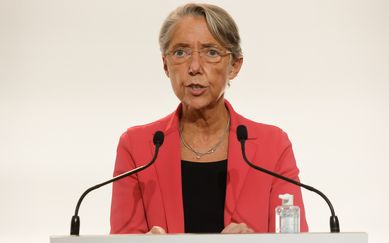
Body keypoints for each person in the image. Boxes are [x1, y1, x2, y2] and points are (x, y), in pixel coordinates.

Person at [110, 3, 308, 234]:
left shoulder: (272, 146)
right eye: (180, 52)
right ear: (166, 65)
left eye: (211, 52)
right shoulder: (137, 147)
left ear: (234, 66)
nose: (194, 67)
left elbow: (295, 238)